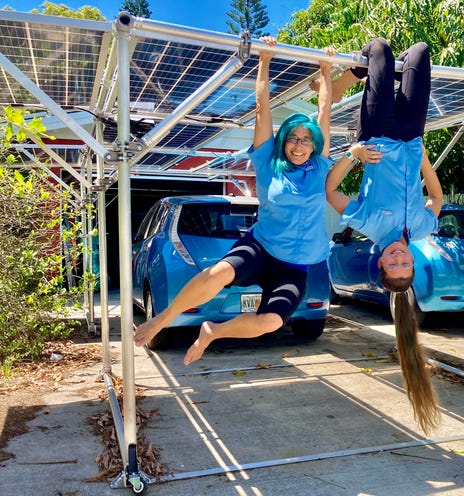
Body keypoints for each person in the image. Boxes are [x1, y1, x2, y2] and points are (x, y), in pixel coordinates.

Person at [133, 36, 335, 365]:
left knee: (271, 322)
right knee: (220, 274)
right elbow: (262, 108)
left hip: (296, 265)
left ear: (313, 145)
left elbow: (324, 111)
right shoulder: (268, 161)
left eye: (306, 140)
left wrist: (326, 71)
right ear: (284, 142)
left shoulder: (319, 165)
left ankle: (213, 331)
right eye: (293, 139)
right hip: (261, 247)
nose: (299, 145)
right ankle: (163, 318)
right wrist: (265, 60)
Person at [323, 38, 444, 434]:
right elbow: (438, 197)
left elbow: (331, 191)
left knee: (379, 49)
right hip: (411, 136)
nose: (398, 258)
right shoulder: (423, 231)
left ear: (380, 263)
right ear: (411, 261)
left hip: (375, 132)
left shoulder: (370, 226)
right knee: (421, 52)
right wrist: (424, 159)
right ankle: (371, 72)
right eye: (404, 264)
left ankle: (350, 77)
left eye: (391, 265)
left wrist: (353, 154)